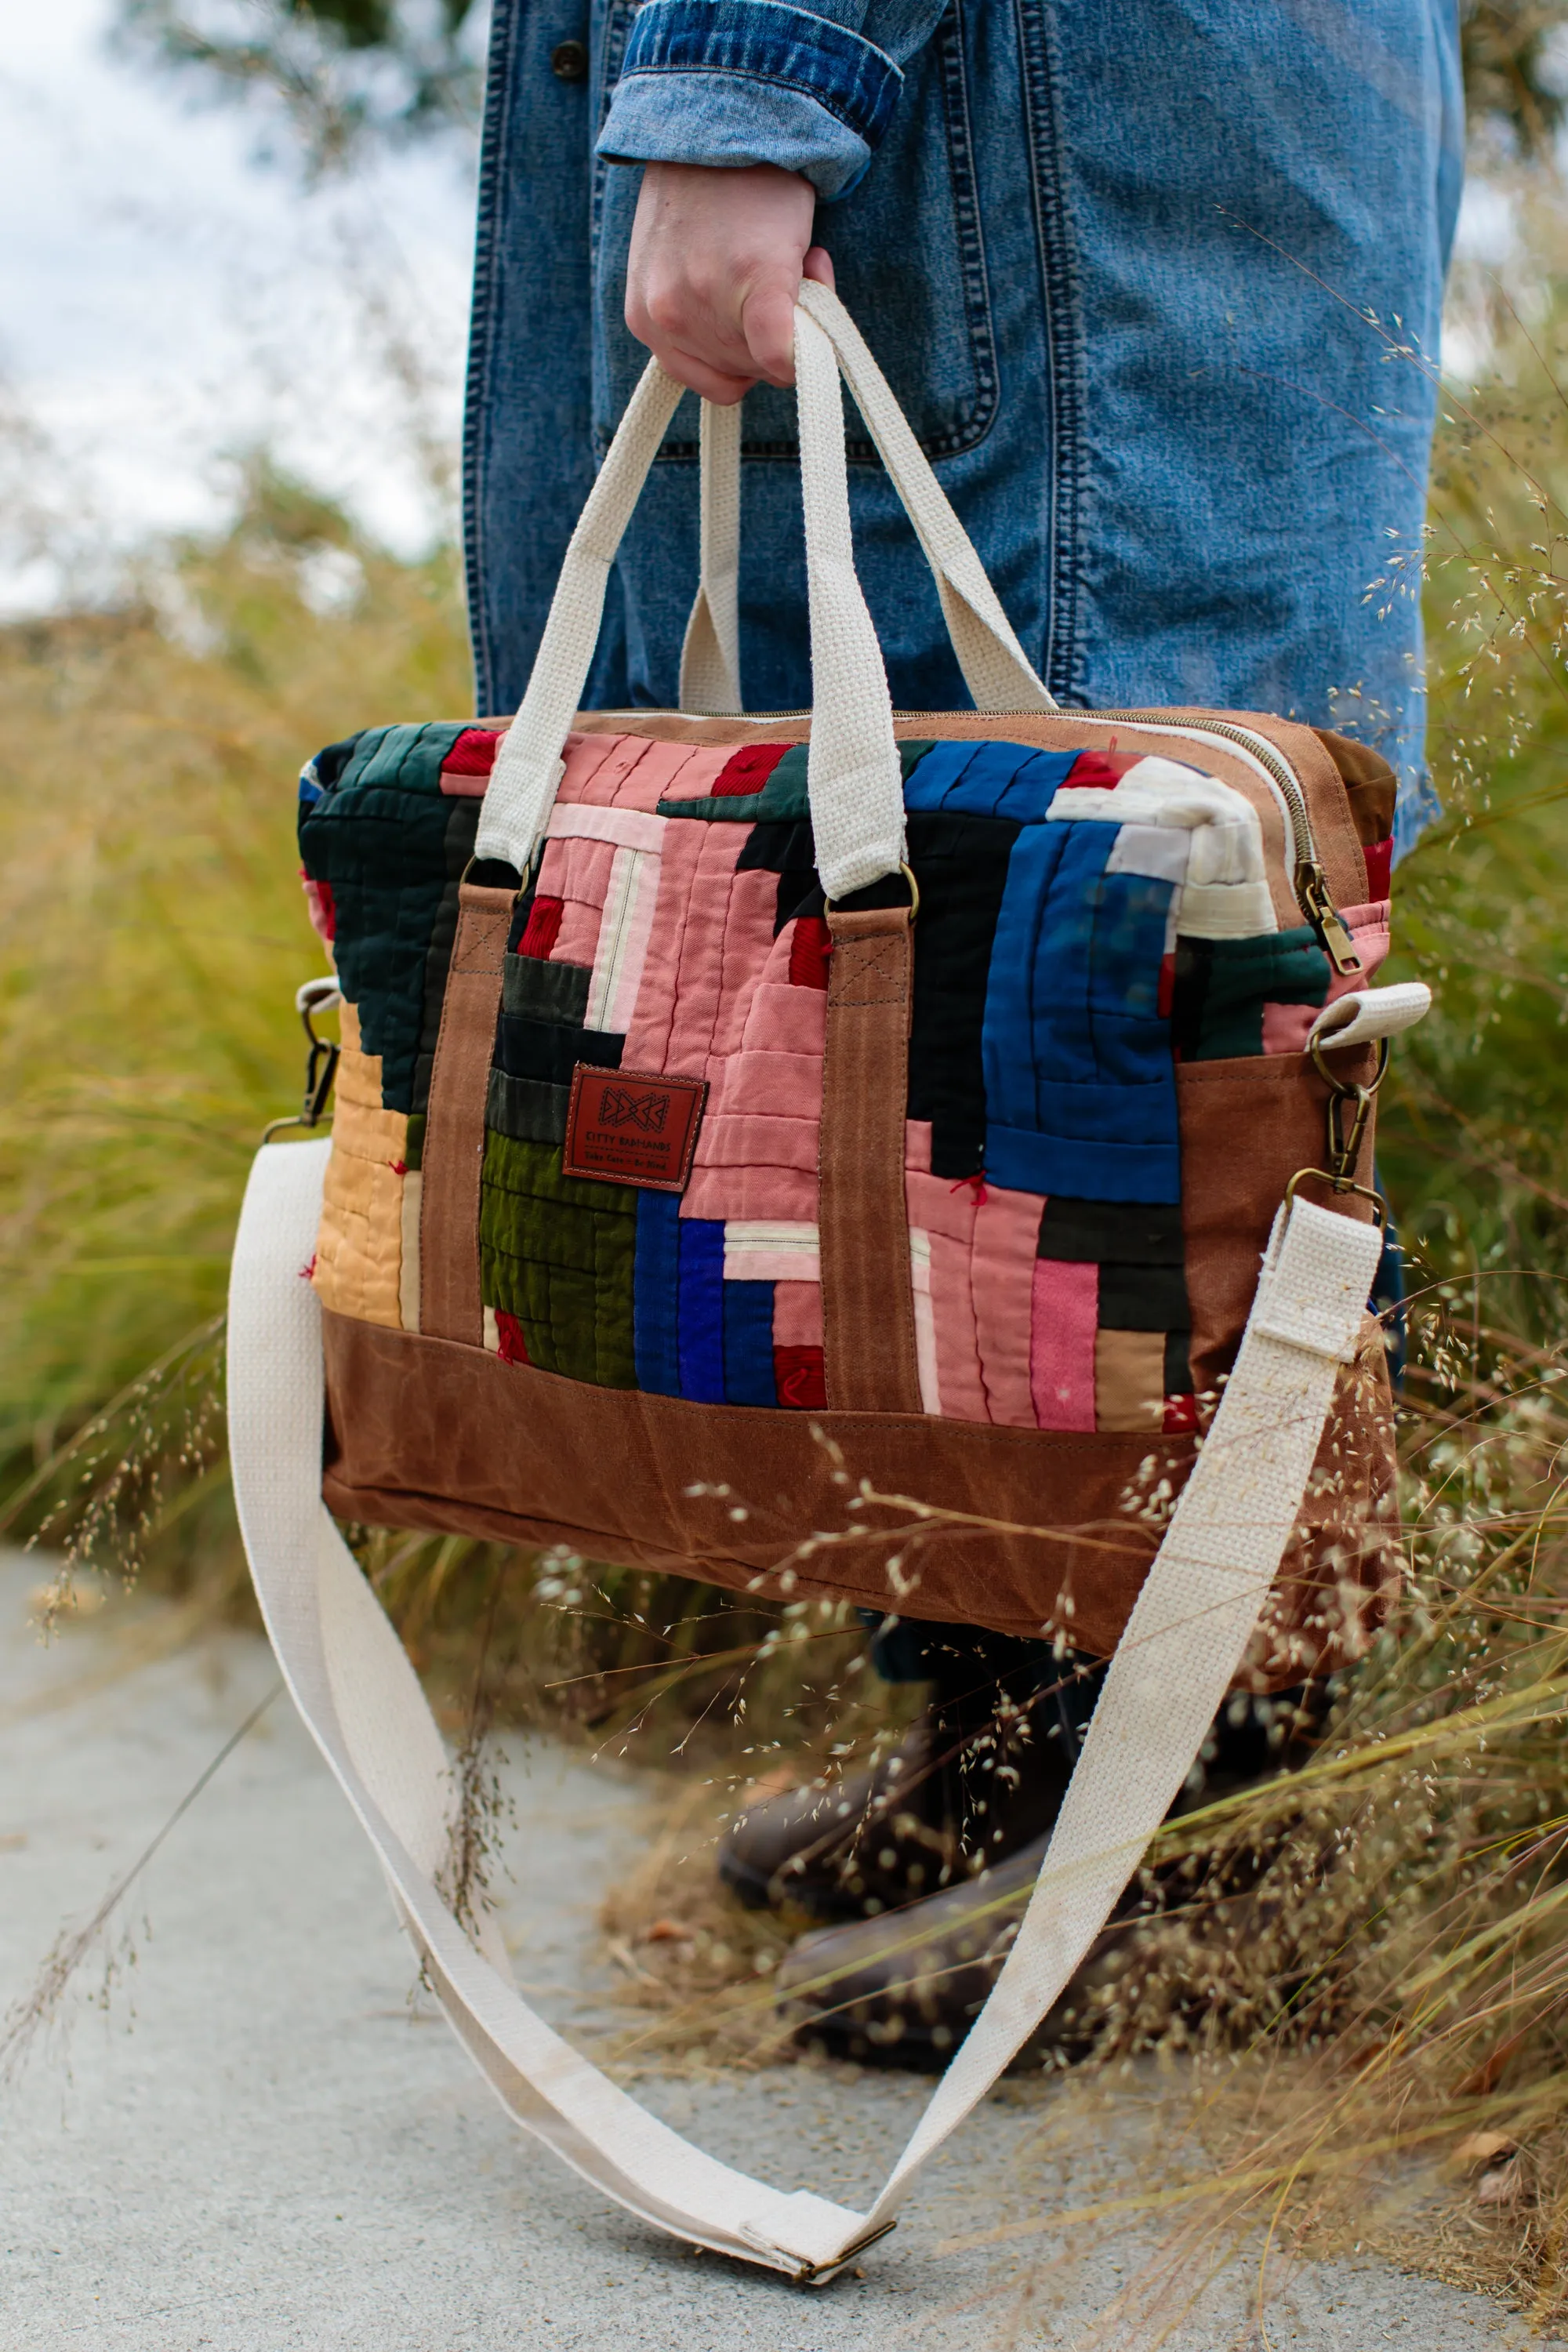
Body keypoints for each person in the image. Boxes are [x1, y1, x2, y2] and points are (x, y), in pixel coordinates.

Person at [463, 0, 1464, 2053]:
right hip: (1031, 127)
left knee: (1114, 917)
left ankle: (1178, 1819)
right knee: (933, 989)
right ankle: (1000, 1733)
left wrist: (750, 68)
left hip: (1032, 135)